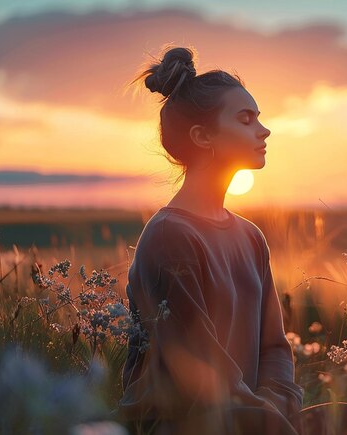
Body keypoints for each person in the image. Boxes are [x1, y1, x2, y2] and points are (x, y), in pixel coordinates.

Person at [118, 46, 304, 435]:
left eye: (259, 118)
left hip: (255, 423)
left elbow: (274, 349)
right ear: (203, 136)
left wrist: (276, 412)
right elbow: (202, 374)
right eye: (246, 118)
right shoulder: (171, 236)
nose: (264, 129)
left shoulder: (251, 237)